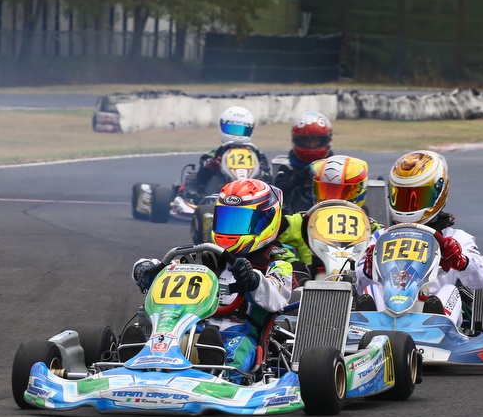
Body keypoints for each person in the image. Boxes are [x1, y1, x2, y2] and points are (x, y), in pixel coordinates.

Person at [131, 178, 296, 378]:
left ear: (267, 221)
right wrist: (145, 269)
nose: (231, 229)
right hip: (192, 328)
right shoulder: (207, 257)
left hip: (239, 333)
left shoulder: (276, 264)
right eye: (226, 220)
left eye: (241, 222)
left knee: (238, 349)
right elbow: (171, 267)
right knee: (166, 338)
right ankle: (134, 356)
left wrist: (253, 279)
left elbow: (276, 297)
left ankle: (219, 373)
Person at [357, 150, 483, 327]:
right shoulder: (380, 238)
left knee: (450, 290)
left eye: (418, 198)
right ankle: (367, 326)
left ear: (439, 193)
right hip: (387, 314)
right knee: (370, 289)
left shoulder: (456, 238)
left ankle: (436, 321)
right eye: (402, 198)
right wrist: (367, 269)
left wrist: (460, 261)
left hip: (434, 311)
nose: (409, 206)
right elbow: (358, 287)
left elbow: (480, 281)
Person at [192, 106, 271, 196]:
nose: (237, 135)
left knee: (263, 182)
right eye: (232, 129)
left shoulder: (258, 155)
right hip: (221, 188)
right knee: (215, 180)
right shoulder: (214, 154)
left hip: (252, 189)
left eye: (242, 130)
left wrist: (261, 170)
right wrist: (210, 164)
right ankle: (211, 199)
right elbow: (201, 179)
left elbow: (268, 176)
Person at [273, 111, 333, 213]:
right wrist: (295, 181)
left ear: (326, 140)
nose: (311, 145)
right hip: (296, 218)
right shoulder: (287, 168)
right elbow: (277, 195)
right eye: (306, 140)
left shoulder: (334, 167)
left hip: (328, 216)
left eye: (316, 140)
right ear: (296, 140)